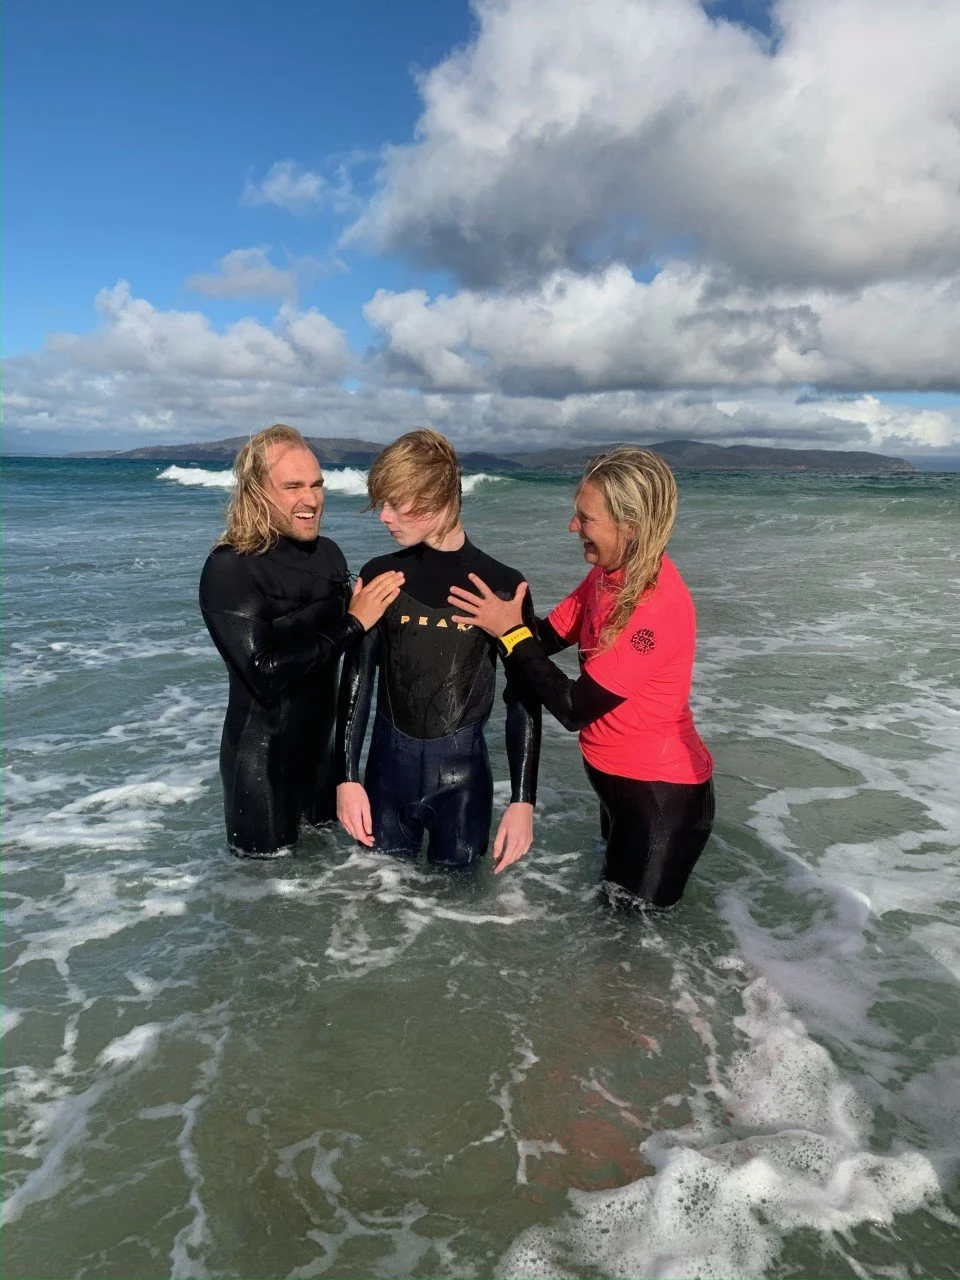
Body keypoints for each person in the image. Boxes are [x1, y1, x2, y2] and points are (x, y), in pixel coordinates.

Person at [449, 447, 714, 907]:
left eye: (586, 518)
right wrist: (481, 619)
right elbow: (546, 638)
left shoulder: (656, 609)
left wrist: (510, 631)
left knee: (632, 933)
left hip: (660, 798)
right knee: (609, 912)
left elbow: (574, 708)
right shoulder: (608, 576)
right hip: (618, 790)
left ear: (630, 527)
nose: (573, 527)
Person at [336, 429, 541, 868]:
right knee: (375, 900)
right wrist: (346, 779)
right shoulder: (380, 577)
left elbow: (523, 697)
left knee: (461, 906)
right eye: (382, 503)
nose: (384, 516)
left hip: (463, 789)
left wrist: (523, 801)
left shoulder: (502, 586)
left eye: (396, 503)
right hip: (385, 783)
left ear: (439, 496)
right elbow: (357, 681)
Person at [199, 424, 403, 856]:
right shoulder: (230, 568)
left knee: (330, 888)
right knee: (264, 894)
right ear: (256, 491)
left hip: (323, 765)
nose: (311, 500)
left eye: (317, 485)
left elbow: (356, 654)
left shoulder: (329, 555)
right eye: (293, 487)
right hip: (262, 772)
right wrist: (353, 624)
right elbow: (264, 673)